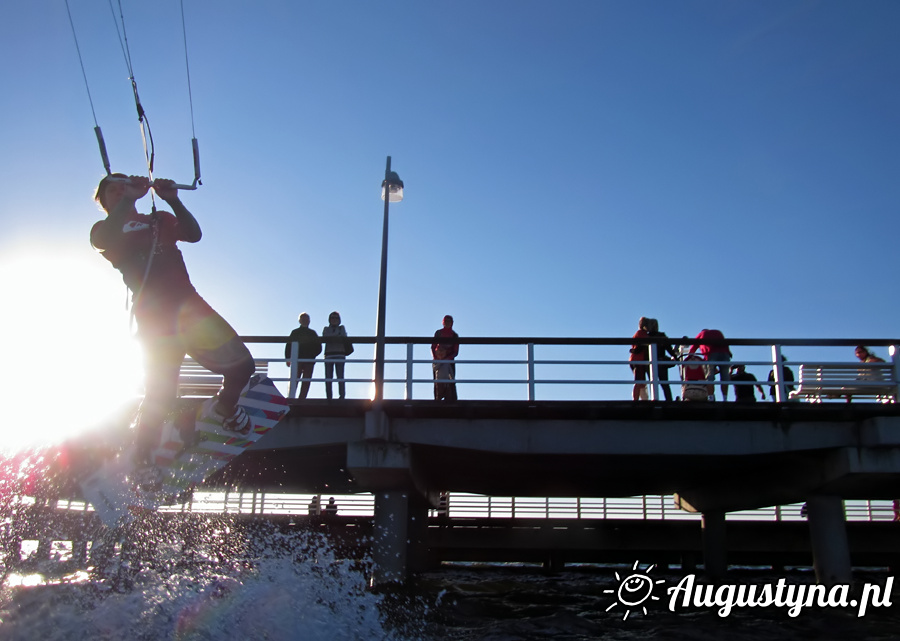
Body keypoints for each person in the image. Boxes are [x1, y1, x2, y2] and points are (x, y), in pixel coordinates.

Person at [91, 174, 256, 483]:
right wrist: (128, 198)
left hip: (191, 309)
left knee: (242, 365)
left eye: (122, 186)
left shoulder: (159, 219)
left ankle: (225, 407)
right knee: (160, 393)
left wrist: (173, 199)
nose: (119, 192)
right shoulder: (105, 230)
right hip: (155, 319)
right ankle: (143, 459)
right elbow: (103, 241)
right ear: (104, 202)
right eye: (112, 191)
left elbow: (194, 235)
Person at [285, 313, 321, 399]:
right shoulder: (295, 332)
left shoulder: (312, 333)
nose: (305, 321)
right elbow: (289, 345)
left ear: (309, 321)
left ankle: (302, 398)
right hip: (297, 359)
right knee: (294, 379)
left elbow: (318, 347)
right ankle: (291, 397)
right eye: (303, 319)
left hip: (309, 360)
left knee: (306, 380)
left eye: (306, 319)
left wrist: (312, 355)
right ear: (300, 321)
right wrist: (288, 358)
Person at [689, 329, 731, 401]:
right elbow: (725, 343)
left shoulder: (701, 334)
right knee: (724, 378)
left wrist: (690, 356)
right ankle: (725, 398)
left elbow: (693, 347)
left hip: (711, 353)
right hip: (725, 353)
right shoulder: (718, 332)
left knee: (710, 377)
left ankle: (710, 398)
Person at [646, 318, 678, 401]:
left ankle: (654, 399)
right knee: (665, 384)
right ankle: (669, 400)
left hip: (650, 363)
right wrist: (676, 357)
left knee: (652, 383)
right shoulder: (662, 336)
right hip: (662, 362)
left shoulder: (646, 337)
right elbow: (669, 349)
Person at [322, 311, 352, 400]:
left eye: (336, 318)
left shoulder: (342, 328)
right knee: (328, 377)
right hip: (328, 355)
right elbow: (326, 337)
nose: (334, 320)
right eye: (332, 318)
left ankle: (342, 396)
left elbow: (343, 337)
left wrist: (335, 336)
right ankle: (329, 397)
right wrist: (336, 335)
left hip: (340, 354)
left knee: (340, 376)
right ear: (329, 319)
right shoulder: (326, 328)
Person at [432, 315, 459, 401]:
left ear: (452, 323)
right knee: (437, 381)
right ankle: (437, 399)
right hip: (438, 360)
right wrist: (436, 357)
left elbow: (456, 351)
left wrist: (448, 358)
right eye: (446, 321)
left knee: (451, 381)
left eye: (449, 321)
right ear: (443, 322)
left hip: (449, 361)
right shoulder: (438, 333)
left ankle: (452, 400)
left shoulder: (455, 335)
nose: (447, 323)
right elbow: (433, 347)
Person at [629, 317, 651, 401]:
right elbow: (641, 346)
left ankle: (642, 399)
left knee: (641, 381)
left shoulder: (638, 333)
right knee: (639, 381)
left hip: (635, 359)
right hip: (639, 360)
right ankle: (636, 400)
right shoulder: (643, 334)